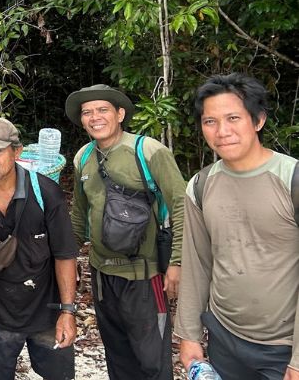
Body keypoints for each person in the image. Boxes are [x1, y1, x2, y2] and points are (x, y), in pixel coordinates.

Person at [175, 73, 299, 380]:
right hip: (225, 339)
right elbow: (197, 264)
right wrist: (189, 334)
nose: (222, 131)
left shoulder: (291, 179)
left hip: (283, 347)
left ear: (258, 121)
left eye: (233, 118)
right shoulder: (201, 186)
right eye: (210, 121)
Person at [66, 83, 185, 380]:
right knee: (117, 357)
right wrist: (65, 259)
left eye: (103, 110)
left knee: (152, 361)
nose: (95, 117)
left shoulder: (148, 151)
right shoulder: (83, 157)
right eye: (87, 112)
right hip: (102, 275)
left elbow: (182, 205)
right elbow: (80, 212)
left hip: (144, 276)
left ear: (120, 114)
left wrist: (177, 262)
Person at [0, 117, 78, 379]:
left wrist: (67, 311)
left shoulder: (45, 192)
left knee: (59, 374)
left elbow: (65, 254)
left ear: (16, 151)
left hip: (46, 305)